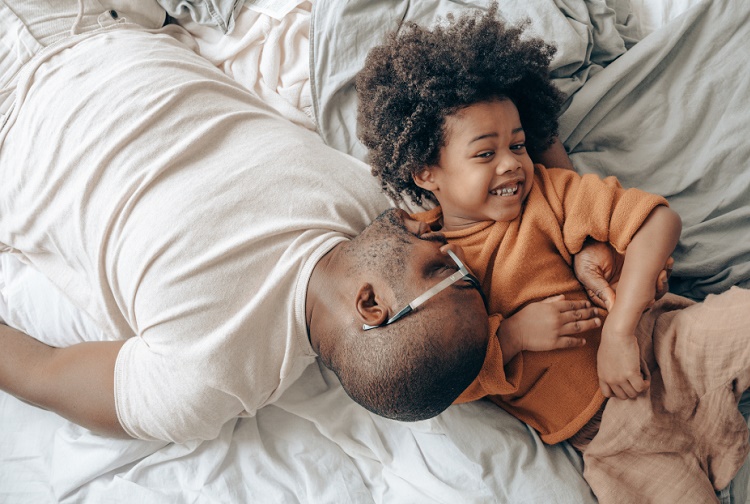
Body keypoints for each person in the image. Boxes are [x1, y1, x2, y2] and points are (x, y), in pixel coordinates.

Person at [0, 0, 624, 445]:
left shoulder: (203, 378)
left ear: (373, 307)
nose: (438, 236)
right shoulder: (374, 217)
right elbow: (500, 135)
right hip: (116, 25)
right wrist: (583, 243)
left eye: (442, 269)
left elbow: (38, 371)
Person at [355, 6, 750, 503]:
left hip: (665, 350)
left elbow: (657, 221)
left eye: (518, 146)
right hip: (613, 443)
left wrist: (621, 330)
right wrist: (514, 336)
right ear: (424, 172)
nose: (511, 165)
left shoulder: (547, 193)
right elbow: (438, 376)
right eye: (484, 153)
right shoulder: (431, 264)